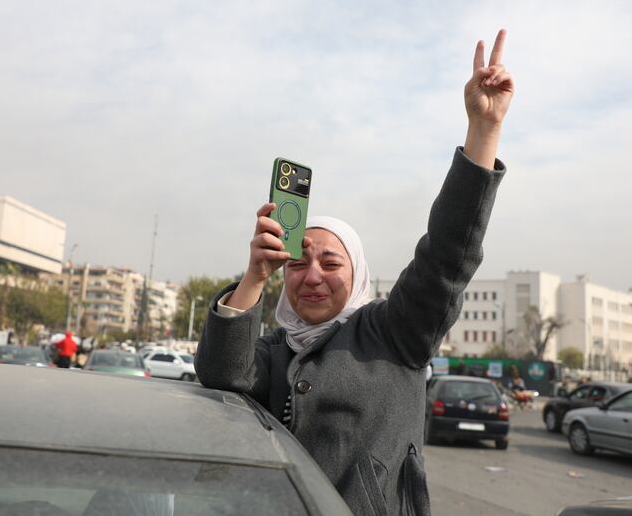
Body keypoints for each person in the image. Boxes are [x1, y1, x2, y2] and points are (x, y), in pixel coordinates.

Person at [195, 30, 512, 516]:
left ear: (358, 272)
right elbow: (220, 372)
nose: (313, 276)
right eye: (297, 264)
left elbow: (447, 254)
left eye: (330, 262)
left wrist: (483, 131)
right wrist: (254, 275)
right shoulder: (275, 349)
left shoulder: (395, 333)